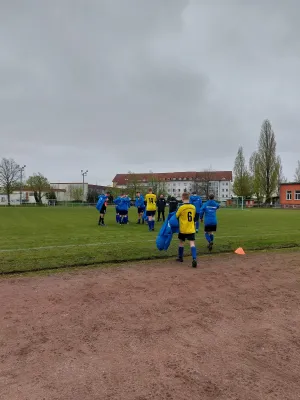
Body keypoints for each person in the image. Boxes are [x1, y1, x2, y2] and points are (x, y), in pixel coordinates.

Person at [176, 192, 197, 268]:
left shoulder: (181, 207)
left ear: (182, 198)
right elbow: (194, 217)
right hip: (191, 228)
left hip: (183, 229)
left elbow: (176, 216)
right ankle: (194, 258)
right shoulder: (193, 207)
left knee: (181, 242)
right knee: (192, 243)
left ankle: (180, 257)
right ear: (189, 198)